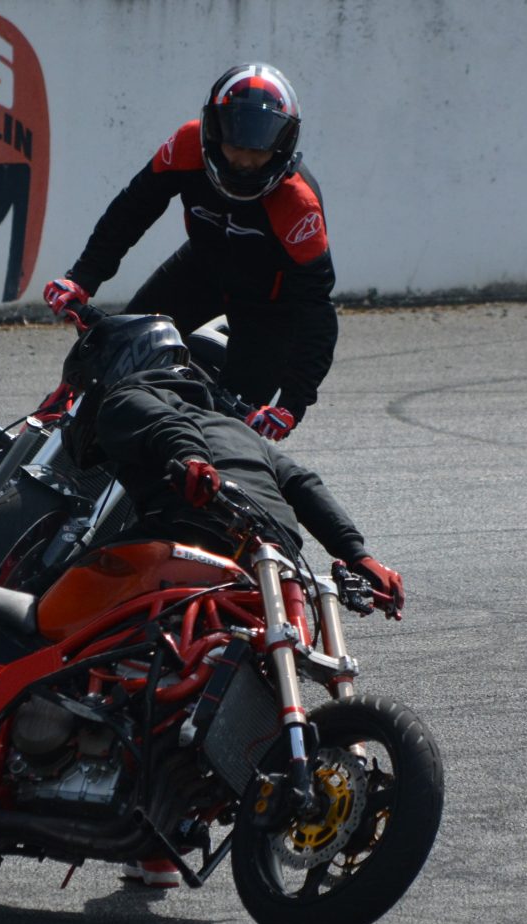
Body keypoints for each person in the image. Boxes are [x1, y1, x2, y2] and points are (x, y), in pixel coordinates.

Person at [59, 333, 403, 887]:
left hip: (194, 543)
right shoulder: (240, 429)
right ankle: (161, 836)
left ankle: (66, 747)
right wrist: (357, 553)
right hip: (273, 567)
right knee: (231, 691)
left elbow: (164, 427)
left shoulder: (128, 395)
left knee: (70, 626)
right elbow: (301, 482)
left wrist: (189, 460)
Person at [44, 62, 337, 441]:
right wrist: (82, 279)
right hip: (201, 271)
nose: (244, 163)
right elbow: (132, 210)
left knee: (230, 434)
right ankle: (57, 414)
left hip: (269, 308)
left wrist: (292, 404)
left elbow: (316, 308)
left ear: (281, 148)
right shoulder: (186, 144)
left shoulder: (298, 204)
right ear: (213, 135)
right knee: (114, 349)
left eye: (258, 151)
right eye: (235, 146)